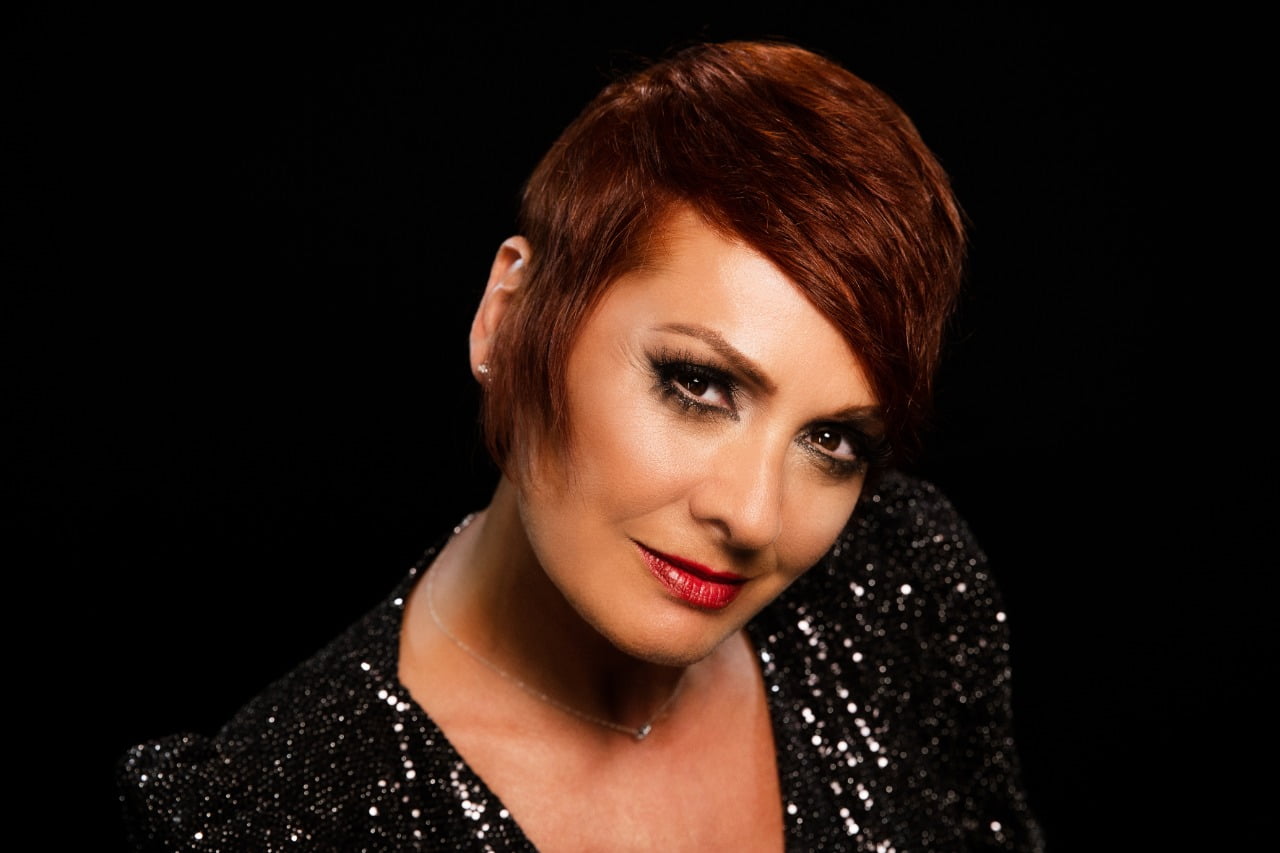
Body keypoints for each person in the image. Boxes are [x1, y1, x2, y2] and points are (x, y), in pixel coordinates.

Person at [117, 40, 1045, 851]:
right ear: (509, 314)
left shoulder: (903, 590)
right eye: (697, 383)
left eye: (832, 440)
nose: (754, 516)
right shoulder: (265, 818)